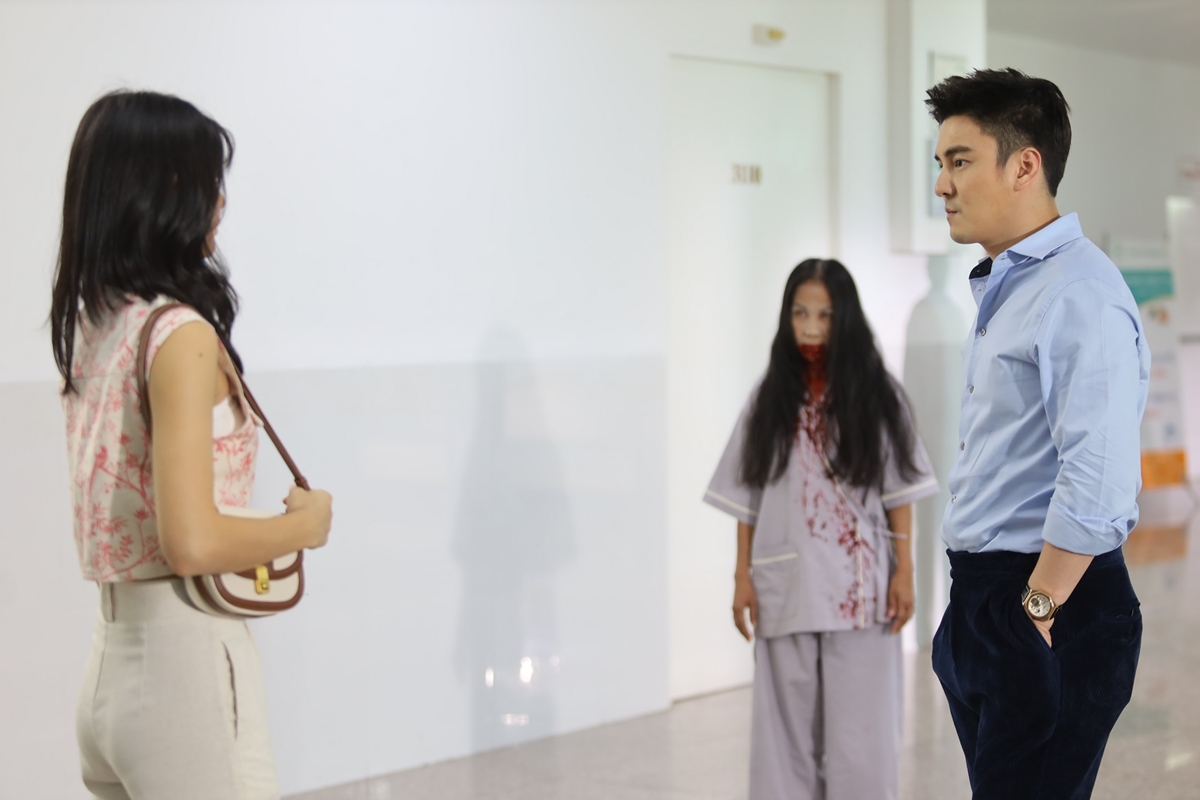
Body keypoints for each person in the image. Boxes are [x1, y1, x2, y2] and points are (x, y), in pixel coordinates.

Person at [51, 91, 334, 799]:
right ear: (168, 189)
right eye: (210, 180)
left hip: (109, 664)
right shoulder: (180, 334)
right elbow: (192, 543)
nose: (221, 202)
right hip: (186, 667)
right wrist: (304, 527)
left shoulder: (98, 325)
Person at [926, 68, 1148, 800]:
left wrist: (1037, 611)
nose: (942, 185)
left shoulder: (1078, 291)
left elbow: (1100, 473)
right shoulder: (1010, 284)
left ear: (1025, 165)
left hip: (1052, 603)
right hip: (987, 600)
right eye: (941, 163)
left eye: (960, 161)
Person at [704, 259, 939, 800]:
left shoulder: (879, 396)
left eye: (825, 316)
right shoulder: (768, 398)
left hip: (862, 593)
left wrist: (904, 572)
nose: (811, 328)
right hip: (785, 585)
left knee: (863, 741)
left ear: (845, 319)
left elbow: (900, 494)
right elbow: (747, 498)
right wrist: (741, 577)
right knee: (781, 742)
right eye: (800, 314)